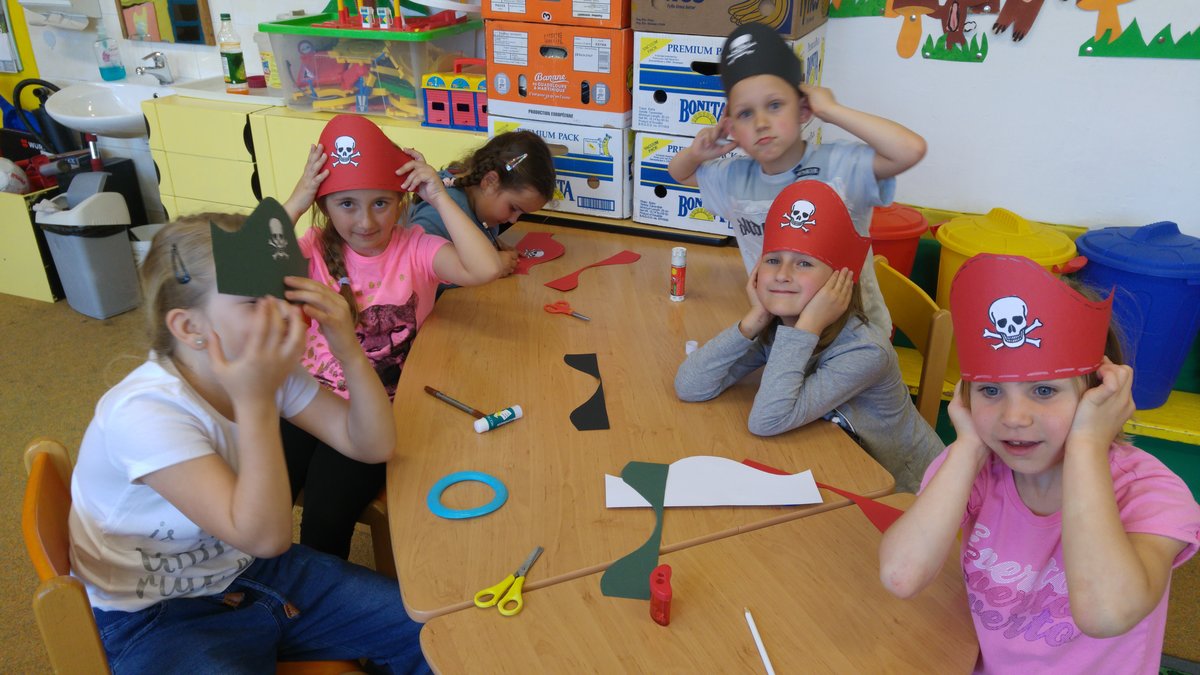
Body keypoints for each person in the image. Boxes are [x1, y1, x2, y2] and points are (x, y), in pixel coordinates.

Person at [67, 211, 430, 673]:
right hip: (153, 614)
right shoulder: (145, 413)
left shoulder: (268, 372)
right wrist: (256, 400)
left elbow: (372, 445)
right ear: (189, 328)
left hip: (245, 572)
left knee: (432, 631)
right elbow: (266, 537)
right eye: (254, 301)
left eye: (284, 293)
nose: (286, 314)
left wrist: (347, 349)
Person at [879, 254, 1200, 674]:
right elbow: (901, 575)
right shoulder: (972, 467)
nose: (1014, 417)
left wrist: (1087, 445)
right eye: (991, 391)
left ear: (1100, 392)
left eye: (1044, 391)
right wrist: (969, 446)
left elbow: (1105, 614)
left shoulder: (1152, 492)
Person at [282, 114, 504, 558]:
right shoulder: (311, 246)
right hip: (306, 398)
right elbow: (238, 271)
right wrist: (298, 199)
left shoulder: (416, 247)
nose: (366, 221)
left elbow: (486, 268)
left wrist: (439, 196)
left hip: (375, 412)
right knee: (267, 484)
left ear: (401, 202)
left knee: (326, 515)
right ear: (325, 206)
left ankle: (316, 592)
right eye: (347, 204)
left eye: (381, 203)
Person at [675, 180, 942, 492]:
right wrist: (754, 318)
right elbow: (690, 386)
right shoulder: (778, 325)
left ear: (841, 281)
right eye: (773, 260)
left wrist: (807, 328)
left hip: (907, 490)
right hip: (835, 466)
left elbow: (766, 421)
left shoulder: (865, 351)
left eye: (804, 263)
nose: (782, 274)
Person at [667, 21, 927, 335]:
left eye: (775, 105)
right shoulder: (735, 178)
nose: (761, 122)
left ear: (804, 110)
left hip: (854, 340)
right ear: (732, 128)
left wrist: (831, 110)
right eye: (746, 113)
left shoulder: (839, 167)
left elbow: (910, 150)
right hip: (779, 334)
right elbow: (680, 173)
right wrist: (697, 152)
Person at [408, 129, 556, 278]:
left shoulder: (473, 195)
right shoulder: (438, 213)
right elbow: (414, 272)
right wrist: (490, 267)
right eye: (513, 208)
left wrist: (488, 243)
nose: (513, 220)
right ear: (490, 181)